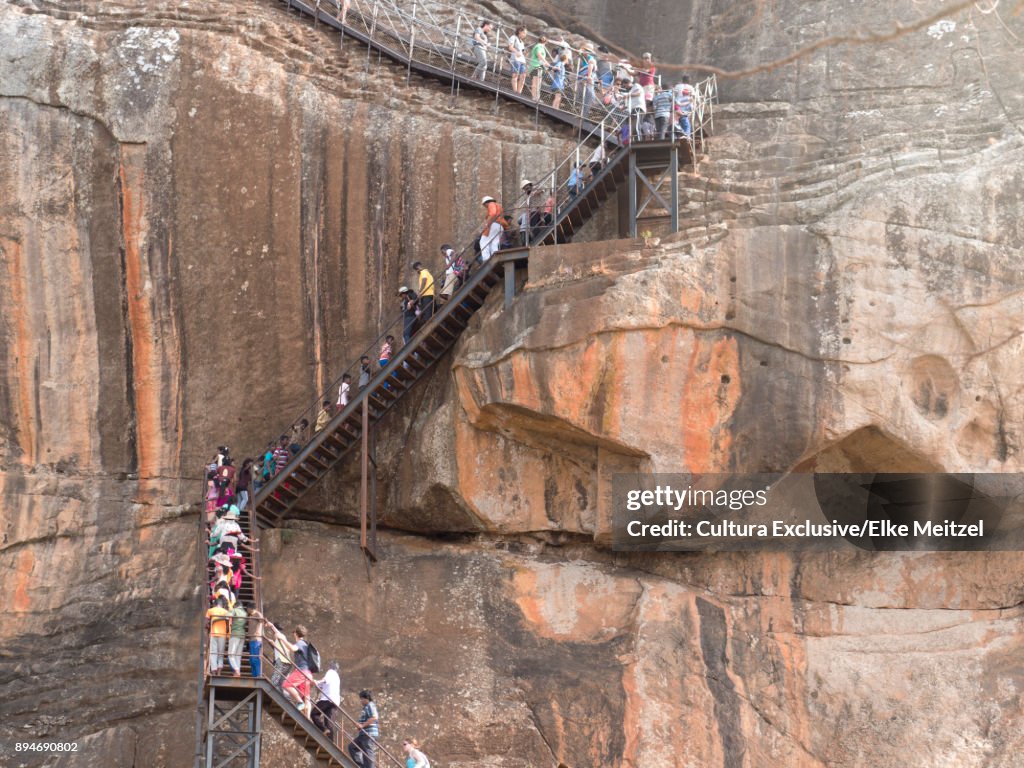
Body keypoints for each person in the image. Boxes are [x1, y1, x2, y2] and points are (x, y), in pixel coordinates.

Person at [280, 625, 314, 715]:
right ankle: (307, 719)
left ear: (295, 634)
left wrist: (282, 639)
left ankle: (300, 702)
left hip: (302, 672)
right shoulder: (306, 645)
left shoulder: (300, 643)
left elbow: (292, 648)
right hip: (308, 673)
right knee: (306, 697)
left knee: (286, 685)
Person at [311, 661, 342, 741]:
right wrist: (317, 683)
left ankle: (324, 729)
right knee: (329, 722)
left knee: (314, 714)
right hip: (335, 702)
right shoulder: (337, 677)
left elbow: (325, 680)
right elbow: (322, 685)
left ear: (330, 667)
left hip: (327, 699)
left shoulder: (330, 672)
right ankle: (330, 741)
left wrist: (317, 681)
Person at [348, 690, 379, 768]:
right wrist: (359, 725)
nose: (360, 701)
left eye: (362, 699)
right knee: (352, 747)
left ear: (367, 698)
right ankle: (362, 766)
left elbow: (374, 717)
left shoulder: (370, 705)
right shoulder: (366, 707)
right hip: (364, 734)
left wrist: (362, 725)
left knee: (368, 754)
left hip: (368, 734)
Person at [206, 596, 231, 674]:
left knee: (213, 652)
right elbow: (228, 624)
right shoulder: (226, 612)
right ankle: (219, 672)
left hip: (213, 633)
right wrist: (228, 634)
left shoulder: (210, 610)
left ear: (215, 604)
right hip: (223, 634)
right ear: (221, 604)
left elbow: (206, 623)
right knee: (221, 653)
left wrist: (209, 626)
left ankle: (213, 670)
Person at [479, 196, 504, 262]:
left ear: (486, 203)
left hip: (493, 225)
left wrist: (488, 223)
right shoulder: (499, 206)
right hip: (500, 226)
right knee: (494, 243)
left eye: (485, 205)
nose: (485, 207)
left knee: (483, 241)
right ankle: (495, 258)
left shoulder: (491, 204)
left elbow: (493, 213)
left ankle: (486, 259)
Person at [227, 601, 248, 677]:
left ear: (235, 605)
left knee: (231, 654)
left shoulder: (234, 610)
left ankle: (236, 670)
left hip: (235, 634)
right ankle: (237, 672)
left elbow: (227, 617)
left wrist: (229, 610)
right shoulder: (245, 613)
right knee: (238, 656)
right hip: (242, 635)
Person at [577, 42, 598, 118]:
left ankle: (582, 114)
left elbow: (590, 66)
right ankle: (582, 114)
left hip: (584, 78)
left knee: (586, 96)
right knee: (586, 96)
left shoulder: (587, 58)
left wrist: (589, 76)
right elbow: (590, 66)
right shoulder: (588, 58)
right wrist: (589, 76)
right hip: (584, 78)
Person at [528, 35, 549, 101]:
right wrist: (546, 62)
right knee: (536, 83)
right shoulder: (539, 46)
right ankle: (535, 97)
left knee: (537, 83)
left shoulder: (538, 46)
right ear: (545, 42)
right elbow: (539, 54)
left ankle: (536, 97)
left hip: (537, 67)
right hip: (536, 66)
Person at [507, 26, 527, 94]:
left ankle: (519, 92)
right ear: (520, 32)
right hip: (515, 59)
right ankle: (515, 91)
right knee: (515, 75)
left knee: (523, 76)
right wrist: (516, 52)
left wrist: (524, 53)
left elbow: (522, 51)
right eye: (524, 33)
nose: (525, 34)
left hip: (522, 60)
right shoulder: (513, 37)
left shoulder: (522, 42)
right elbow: (510, 47)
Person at [248, 607, 265, 678]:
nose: (247, 610)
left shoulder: (257, 614)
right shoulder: (251, 615)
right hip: (252, 639)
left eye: (248, 608)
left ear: (251, 607)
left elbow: (262, 621)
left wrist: (258, 631)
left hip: (256, 639)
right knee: (252, 660)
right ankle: (254, 675)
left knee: (255, 658)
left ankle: (258, 675)